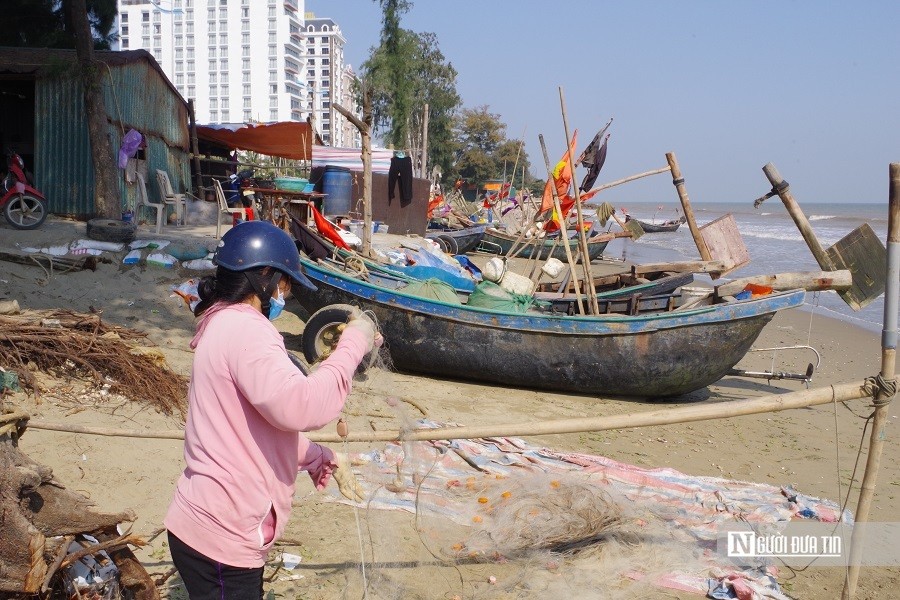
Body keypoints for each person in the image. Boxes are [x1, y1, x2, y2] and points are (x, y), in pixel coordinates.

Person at [164, 221, 378, 599]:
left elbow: (245, 427)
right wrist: (353, 345)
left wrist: (315, 456)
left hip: (204, 527)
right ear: (265, 276)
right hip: (223, 536)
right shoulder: (247, 330)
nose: (286, 294)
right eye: (285, 284)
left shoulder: (222, 323)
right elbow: (302, 406)